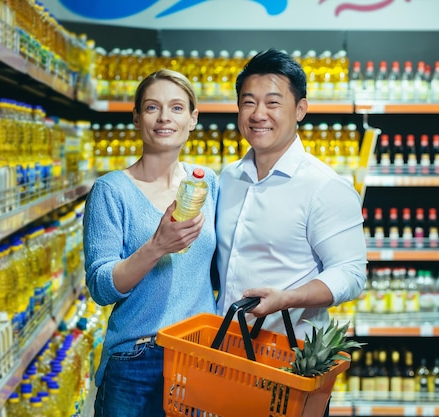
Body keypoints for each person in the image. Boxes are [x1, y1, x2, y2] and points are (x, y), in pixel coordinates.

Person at [215, 48, 367, 414]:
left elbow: (351, 275)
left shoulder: (324, 187)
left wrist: (288, 298)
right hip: (225, 360)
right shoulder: (229, 178)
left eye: (272, 102)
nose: (258, 114)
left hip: (288, 366)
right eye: (248, 102)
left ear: (300, 110)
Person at [83, 69, 218, 417]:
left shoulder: (208, 184)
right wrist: (156, 245)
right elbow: (101, 288)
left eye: (176, 108)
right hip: (135, 358)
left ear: (193, 118)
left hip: (199, 355)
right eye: (152, 107)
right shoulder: (111, 190)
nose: (164, 118)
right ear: (137, 118)